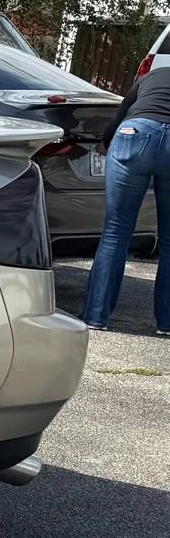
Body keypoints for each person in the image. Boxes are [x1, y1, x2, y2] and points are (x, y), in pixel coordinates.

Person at [80, 62, 170, 335]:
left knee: (116, 232)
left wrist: (106, 143)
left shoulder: (153, 75)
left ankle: (96, 317)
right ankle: (166, 323)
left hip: (134, 134)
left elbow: (120, 116)